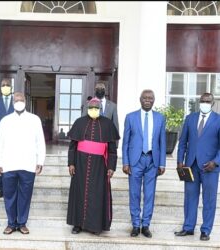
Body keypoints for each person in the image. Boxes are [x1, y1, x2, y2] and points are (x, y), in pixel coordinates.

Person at [0, 92, 45, 235]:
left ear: (25, 101)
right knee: (9, 195)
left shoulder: (34, 119)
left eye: (21, 100)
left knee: (25, 195)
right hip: (8, 164)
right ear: (12, 103)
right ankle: (11, 223)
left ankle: (22, 223)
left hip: (28, 164)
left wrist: (40, 161)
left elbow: (40, 141)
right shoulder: (5, 120)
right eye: (16, 100)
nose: (19, 102)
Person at [66, 97, 120, 235]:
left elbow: (112, 149)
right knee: (79, 193)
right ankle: (77, 224)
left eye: (96, 107)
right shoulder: (79, 122)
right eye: (91, 107)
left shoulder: (108, 124)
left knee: (97, 195)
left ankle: (95, 226)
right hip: (80, 163)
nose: (94, 110)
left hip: (99, 166)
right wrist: (71, 163)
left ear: (100, 109)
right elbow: (72, 146)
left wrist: (111, 167)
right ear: (87, 109)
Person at [175, 93, 220, 241]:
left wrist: (216, 161)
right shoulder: (190, 118)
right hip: (191, 166)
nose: (205, 103)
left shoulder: (218, 120)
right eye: (203, 101)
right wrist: (180, 162)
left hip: (210, 167)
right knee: (190, 198)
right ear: (199, 102)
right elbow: (182, 142)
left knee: (209, 200)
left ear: (212, 104)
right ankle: (188, 228)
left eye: (208, 101)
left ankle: (205, 230)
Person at [122, 89, 166, 238]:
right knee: (134, 194)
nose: (148, 100)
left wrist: (162, 163)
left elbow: (162, 142)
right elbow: (126, 142)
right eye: (145, 98)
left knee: (149, 194)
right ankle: (135, 225)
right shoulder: (130, 117)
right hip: (135, 161)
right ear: (140, 100)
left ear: (154, 100)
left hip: (153, 161)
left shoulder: (160, 118)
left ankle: (145, 225)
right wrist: (125, 162)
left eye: (150, 98)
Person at [0, 78, 14, 198]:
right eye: (3, 85)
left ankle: (10, 187)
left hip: (13, 138)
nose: (5, 86)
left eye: (7, 85)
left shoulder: (16, 102)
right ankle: (1, 188)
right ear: (0, 87)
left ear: (11, 87)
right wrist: (2, 128)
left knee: (11, 162)